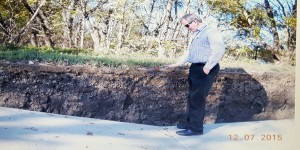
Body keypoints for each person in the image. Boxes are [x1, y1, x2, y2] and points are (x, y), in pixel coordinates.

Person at [165, 13, 225, 136]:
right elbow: (190, 52)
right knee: (192, 97)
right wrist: (178, 63)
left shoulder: (210, 32)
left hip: (205, 68)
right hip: (195, 68)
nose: (187, 28)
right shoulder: (196, 34)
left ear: (196, 21)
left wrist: (208, 66)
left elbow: (219, 49)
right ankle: (190, 124)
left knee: (197, 99)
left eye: (187, 25)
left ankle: (196, 129)